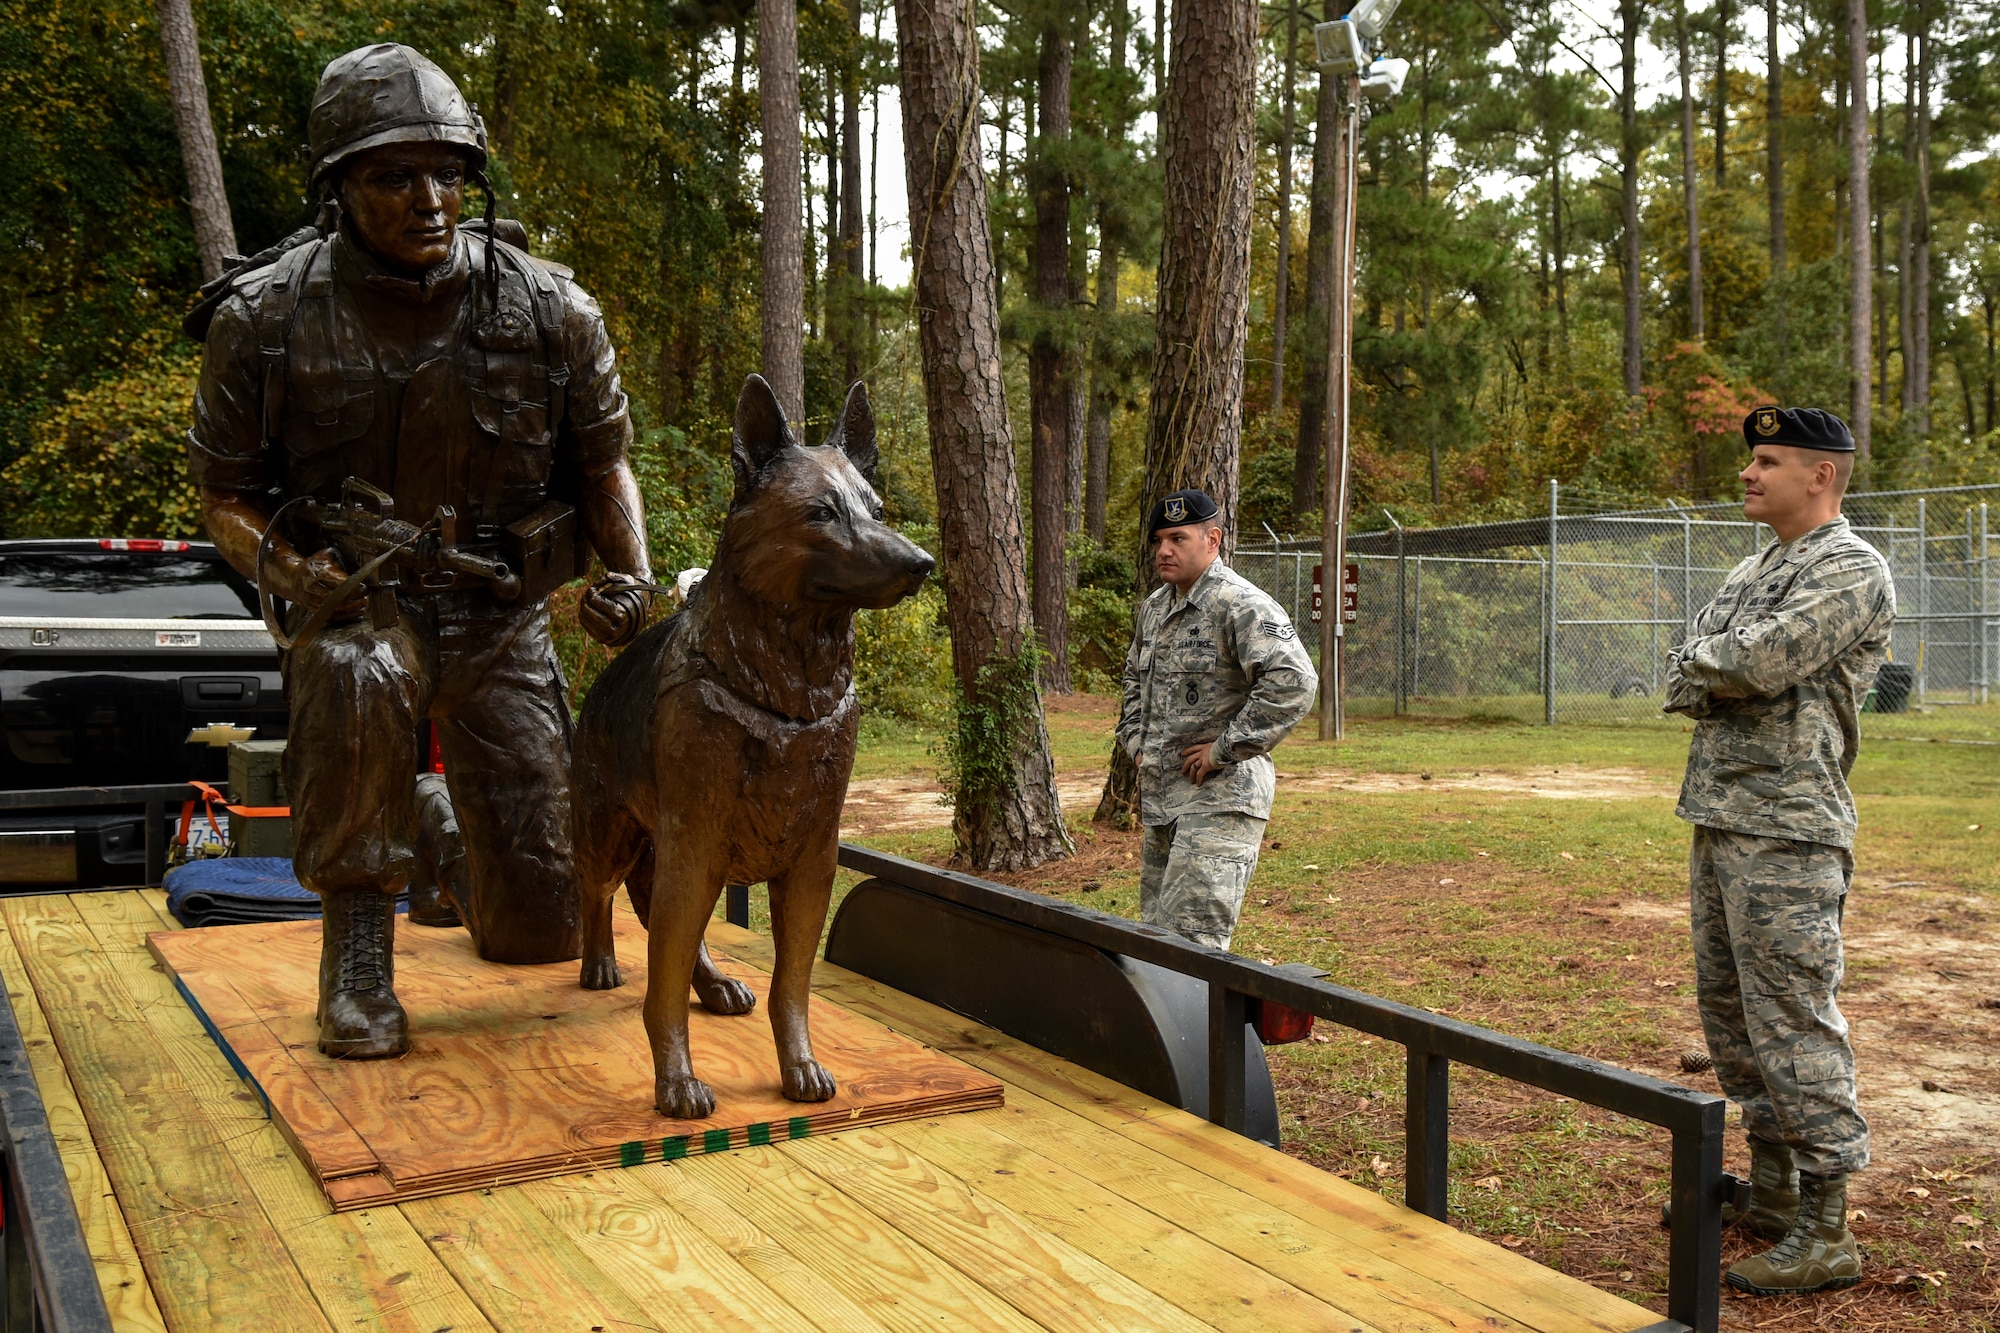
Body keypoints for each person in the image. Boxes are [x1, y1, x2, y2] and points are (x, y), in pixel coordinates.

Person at [185, 44, 654, 1058]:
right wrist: (284, 569)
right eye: (394, 176)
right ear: (337, 189)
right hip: (361, 612)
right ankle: (357, 948)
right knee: (356, 674)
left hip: (501, 620)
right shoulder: (265, 320)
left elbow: (605, 465)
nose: (429, 199)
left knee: (540, 933)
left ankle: (439, 820)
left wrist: (630, 577)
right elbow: (223, 492)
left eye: (447, 173)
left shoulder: (551, 311)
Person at [1664, 406, 1894, 1296]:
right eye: (1752, 460)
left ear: (1821, 476)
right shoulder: (1757, 563)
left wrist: (1713, 660)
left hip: (1791, 827)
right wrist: (1711, 660)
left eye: (1768, 461)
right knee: (1731, 1011)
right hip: (1724, 811)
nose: (1750, 475)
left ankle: (1828, 1225)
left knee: (1794, 1017)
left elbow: (1753, 661)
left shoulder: (1849, 568)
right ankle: (1772, 1188)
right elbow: (1692, 662)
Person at [1116, 490, 1318, 950]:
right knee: (1159, 941)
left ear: (1212, 539)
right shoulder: (1156, 608)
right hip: (1164, 801)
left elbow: (1294, 683)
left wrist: (1223, 750)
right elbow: (1132, 677)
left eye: (1177, 539)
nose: (1164, 550)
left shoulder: (1241, 604)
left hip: (1220, 800)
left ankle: (1201, 1025)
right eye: (1159, 540)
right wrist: (1135, 742)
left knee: (1191, 947)